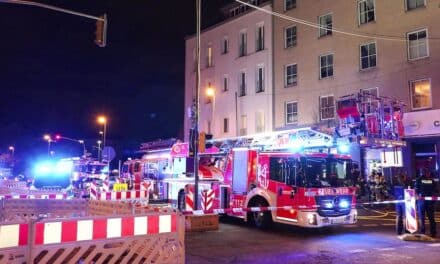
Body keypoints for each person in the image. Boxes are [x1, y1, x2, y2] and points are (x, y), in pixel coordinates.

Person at [415, 168, 437, 237]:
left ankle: (422, 232)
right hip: (430, 201)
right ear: (427, 173)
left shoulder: (418, 180)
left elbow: (416, 191)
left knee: (422, 217)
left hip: (421, 201)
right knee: (431, 217)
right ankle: (433, 233)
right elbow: (436, 190)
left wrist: (417, 200)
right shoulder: (432, 180)